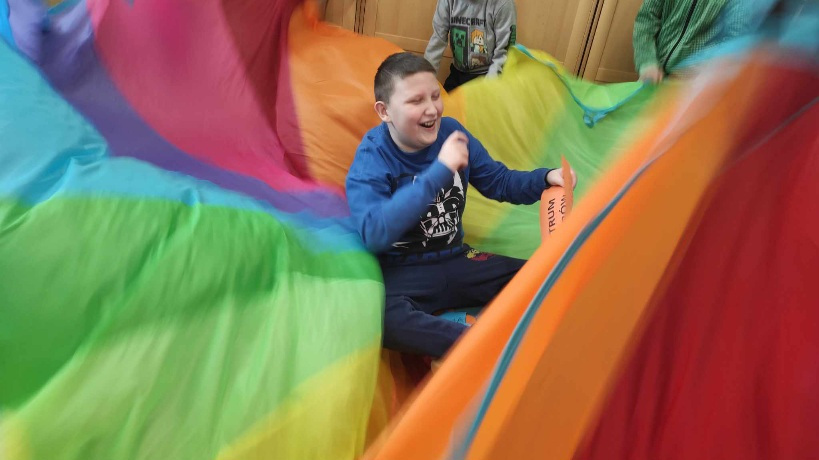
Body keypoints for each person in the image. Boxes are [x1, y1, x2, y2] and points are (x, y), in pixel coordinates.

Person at [345, 52, 573, 358]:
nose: (432, 109)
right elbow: (374, 233)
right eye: (416, 101)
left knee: (546, 279)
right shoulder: (372, 157)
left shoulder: (452, 133)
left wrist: (545, 178)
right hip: (403, 271)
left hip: (457, 260)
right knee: (378, 319)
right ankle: (480, 345)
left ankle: (488, 340)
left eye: (435, 96)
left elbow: (498, 181)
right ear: (384, 111)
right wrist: (439, 171)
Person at [633, 0, 746, 83]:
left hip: (695, 86)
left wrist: (699, 71)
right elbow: (646, 19)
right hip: (655, 77)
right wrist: (646, 61)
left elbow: (736, 41)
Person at [424, 0, 517, 92]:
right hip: (457, 73)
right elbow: (437, 41)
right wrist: (424, 79)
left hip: (488, 74)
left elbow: (504, 53)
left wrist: (488, 89)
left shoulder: (503, 4)